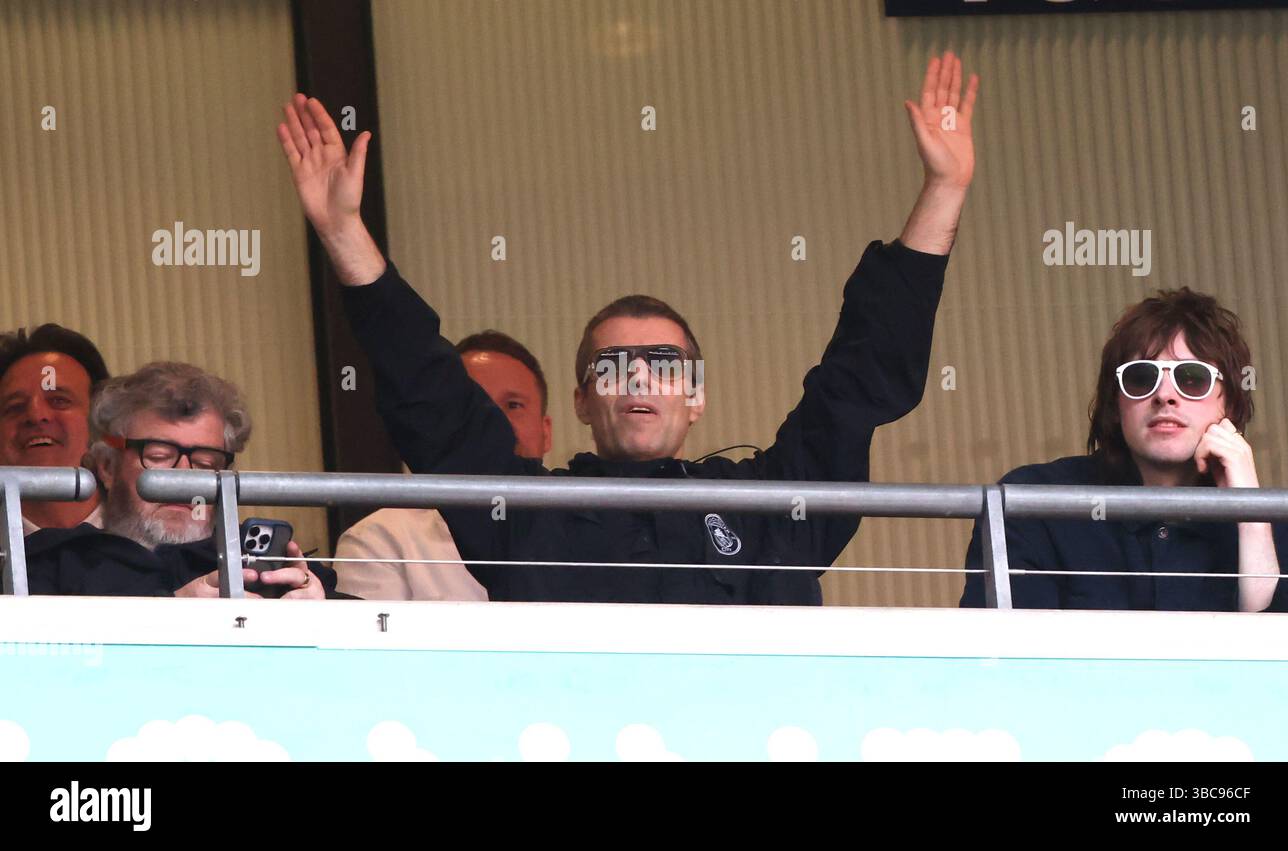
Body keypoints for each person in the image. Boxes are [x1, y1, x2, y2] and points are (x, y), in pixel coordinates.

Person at [278, 53, 978, 604]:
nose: (640, 378)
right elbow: (429, 392)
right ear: (581, 400)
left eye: (666, 365)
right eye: (615, 365)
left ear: (698, 396)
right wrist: (343, 232)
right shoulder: (524, 515)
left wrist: (943, 190)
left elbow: (859, 379)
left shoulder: (770, 504)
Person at [960, 288, 1288, 612]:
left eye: (1193, 378)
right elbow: (1005, 660)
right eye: (1141, 377)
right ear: (1116, 401)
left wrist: (1251, 517)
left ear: (1230, 403)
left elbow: (1279, 665)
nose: (1165, 395)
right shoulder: (1033, 503)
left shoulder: (1282, 525)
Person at [23, 362, 335, 599]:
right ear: (107, 466)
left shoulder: (266, 562)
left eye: (205, 462)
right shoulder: (52, 565)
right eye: (158, 456)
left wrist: (319, 615)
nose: (184, 476)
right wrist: (172, 611)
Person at [335, 330, 551, 600]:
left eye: (513, 405)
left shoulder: (583, 531)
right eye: (475, 408)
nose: (495, 423)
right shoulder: (380, 541)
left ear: (546, 432)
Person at [0, 324, 110, 533]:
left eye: (59, 400)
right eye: (15, 407)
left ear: (102, 421)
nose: (36, 415)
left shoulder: (154, 535)